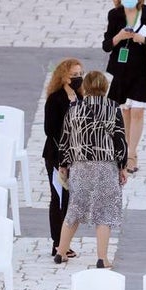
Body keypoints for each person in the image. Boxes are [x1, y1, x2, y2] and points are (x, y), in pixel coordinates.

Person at [54, 70, 128, 269]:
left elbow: (65, 139)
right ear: (105, 87)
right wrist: (122, 167)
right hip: (105, 166)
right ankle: (102, 258)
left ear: (85, 87)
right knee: (104, 212)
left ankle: (61, 252)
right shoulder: (113, 107)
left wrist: (63, 165)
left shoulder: (74, 108)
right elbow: (120, 140)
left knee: (74, 209)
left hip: (80, 166)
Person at [102, 0, 146, 174]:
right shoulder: (115, 15)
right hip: (122, 70)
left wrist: (142, 39)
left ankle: (132, 154)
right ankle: (125, 149)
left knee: (137, 111)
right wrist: (119, 37)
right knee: (125, 111)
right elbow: (106, 45)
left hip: (143, 71)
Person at [43, 58, 84, 260]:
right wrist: (62, 159)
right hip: (57, 155)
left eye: (80, 75)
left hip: (76, 156)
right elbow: (50, 130)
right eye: (73, 75)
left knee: (71, 200)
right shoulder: (55, 99)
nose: (78, 78)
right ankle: (58, 243)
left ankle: (64, 242)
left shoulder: (80, 97)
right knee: (59, 198)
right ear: (63, 77)